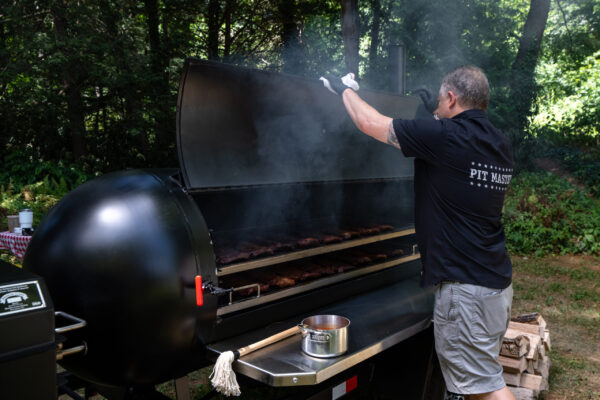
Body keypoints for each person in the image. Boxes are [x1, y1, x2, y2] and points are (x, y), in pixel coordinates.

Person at [320, 66, 515, 400]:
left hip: (464, 290)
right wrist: (433, 115)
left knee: (486, 390)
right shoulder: (499, 144)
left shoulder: (445, 138)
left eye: (440, 101)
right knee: (478, 381)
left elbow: (370, 123)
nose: (436, 108)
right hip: (495, 284)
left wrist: (344, 91)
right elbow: (456, 157)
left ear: (452, 98)